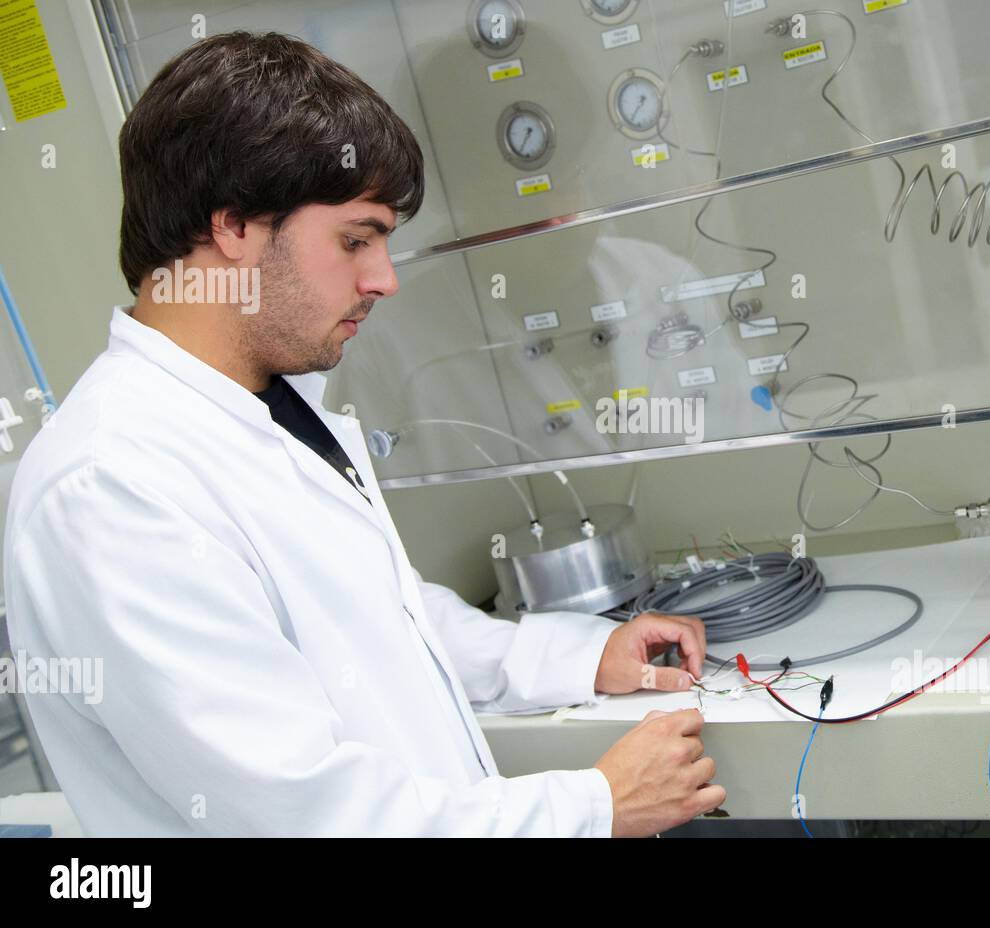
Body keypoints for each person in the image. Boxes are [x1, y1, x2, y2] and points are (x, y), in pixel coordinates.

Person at [2, 31, 724, 837]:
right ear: (234, 226)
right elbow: (303, 813)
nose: (383, 278)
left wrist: (574, 657)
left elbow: (382, 618)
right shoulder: (112, 486)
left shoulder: (264, 404)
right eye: (355, 239)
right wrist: (593, 808)